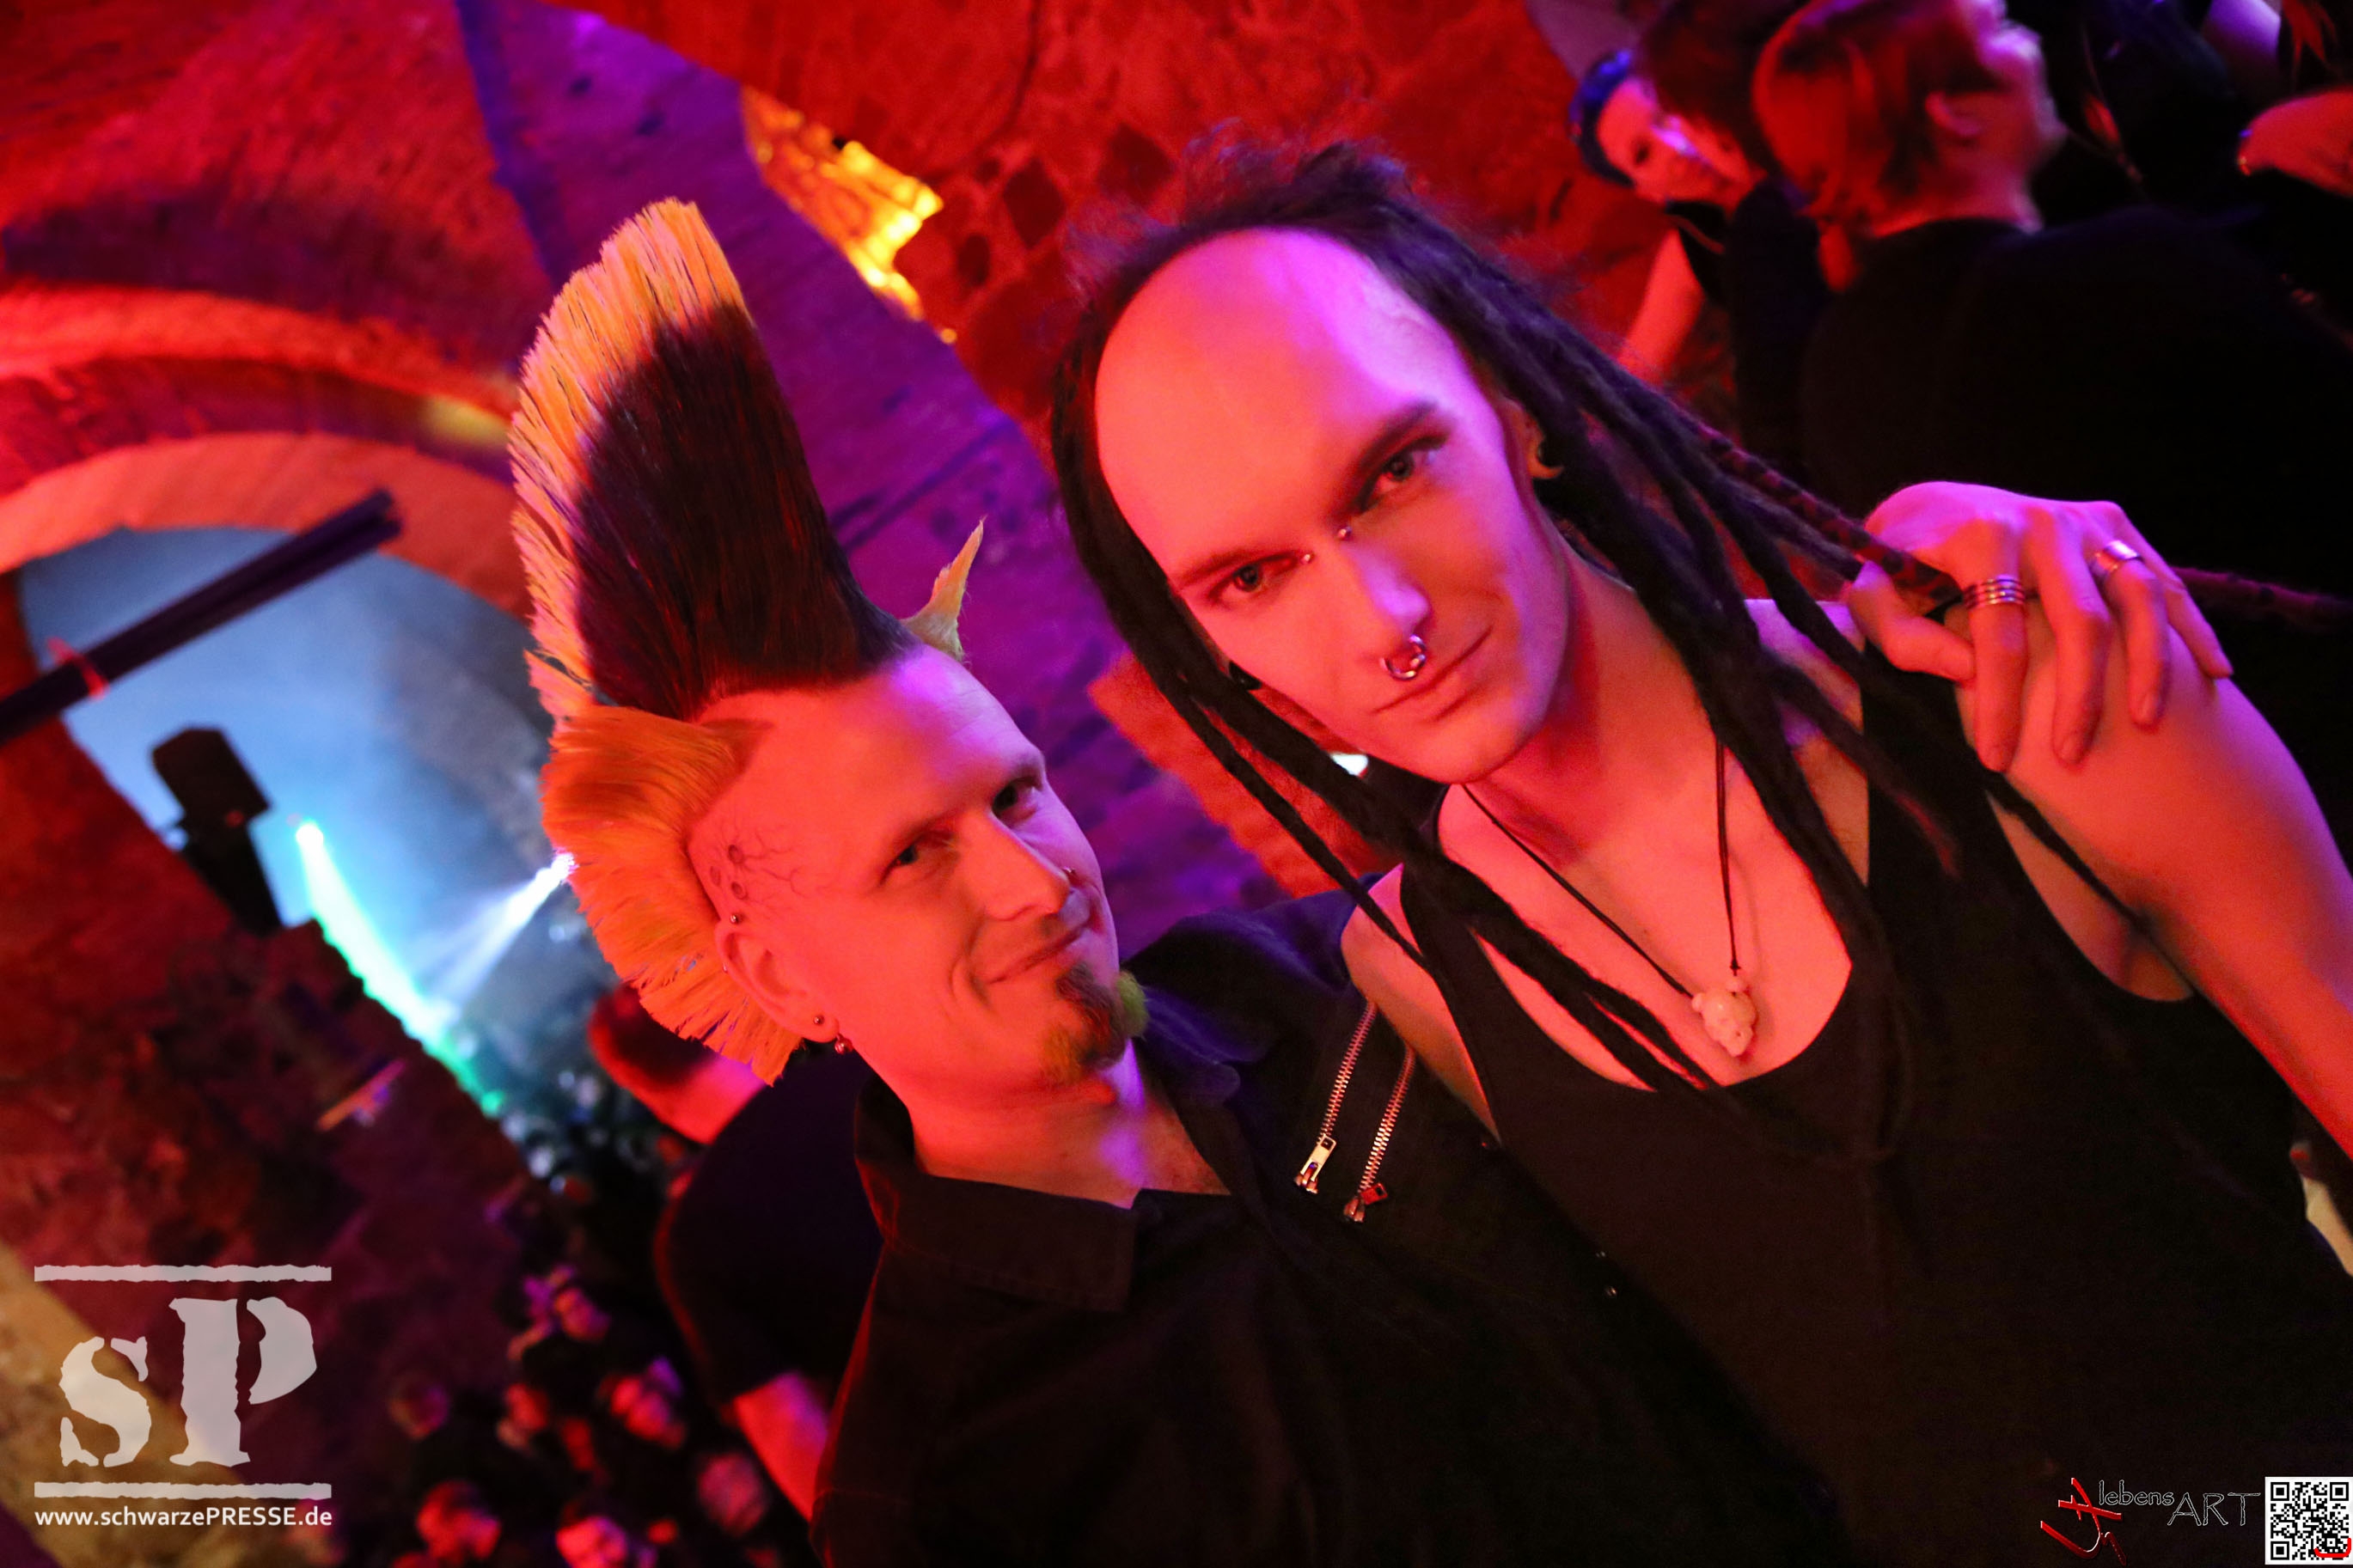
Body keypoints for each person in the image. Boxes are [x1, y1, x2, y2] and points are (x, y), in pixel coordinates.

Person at [507, 198, 1878, 1565]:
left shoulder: (1332, 981)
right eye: (912, 858)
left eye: (1015, 793)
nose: (1032, 883)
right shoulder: (949, 1491)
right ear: (776, 972)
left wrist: (1892, 620)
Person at [1055, 136, 2353, 1568]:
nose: (1381, 619)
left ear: (1517, 411)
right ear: (1206, 643)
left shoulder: (2008, 699)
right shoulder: (1420, 980)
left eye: (1396, 471)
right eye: (1251, 576)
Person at [1755, 0, 2353, 842]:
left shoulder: (1835, 362)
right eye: (1998, 29)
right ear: (1953, 112)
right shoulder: (2101, 273)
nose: (2029, 40)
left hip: (2162, 793)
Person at [588, 985, 877, 1522]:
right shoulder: (865, 1077)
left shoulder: (692, 1244)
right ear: (727, 1024)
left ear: (642, 1090)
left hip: (950, 1452)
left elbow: (784, 1420)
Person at [1572, 43, 1830, 473]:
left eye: (1667, 114)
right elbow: (1632, 375)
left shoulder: (1794, 142)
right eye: (1643, 154)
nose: (1674, 145)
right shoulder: (1693, 248)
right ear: (1646, 192)